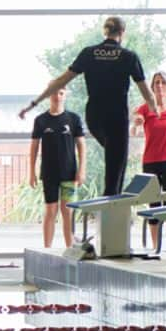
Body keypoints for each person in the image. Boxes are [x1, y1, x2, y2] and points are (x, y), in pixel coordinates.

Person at [19, 16, 156, 196]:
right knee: (116, 166)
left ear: (104, 31)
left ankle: (112, 196)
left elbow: (60, 81)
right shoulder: (129, 57)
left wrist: (33, 103)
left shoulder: (88, 53)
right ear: (122, 33)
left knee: (115, 157)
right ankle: (112, 204)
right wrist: (155, 110)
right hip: (116, 117)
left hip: (94, 117)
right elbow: (145, 90)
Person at [131, 70, 166, 247]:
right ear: (152, 87)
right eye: (156, 82)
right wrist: (137, 123)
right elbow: (135, 127)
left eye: (163, 82)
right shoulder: (145, 108)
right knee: (153, 205)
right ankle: (155, 247)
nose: (160, 85)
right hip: (150, 162)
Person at [28, 88, 87, 248]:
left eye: (61, 93)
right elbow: (34, 147)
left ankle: (70, 250)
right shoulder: (40, 120)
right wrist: (31, 172)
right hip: (49, 174)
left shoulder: (73, 119)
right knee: (50, 211)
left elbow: (81, 145)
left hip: (69, 174)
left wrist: (81, 170)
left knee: (67, 212)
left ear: (65, 95)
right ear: (48, 95)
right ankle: (47, 249)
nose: (57, 96)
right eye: (54, 93)